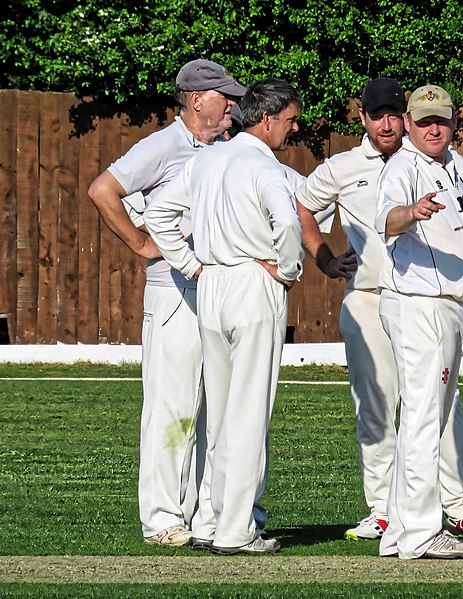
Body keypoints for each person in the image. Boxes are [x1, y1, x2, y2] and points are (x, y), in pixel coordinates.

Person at [296, 77, 463, 543]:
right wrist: (326, 258)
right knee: (380, 405)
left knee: (438, 407)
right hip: (375, 296)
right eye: (379, 115)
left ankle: (457, 506)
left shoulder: (444, 160)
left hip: (428, 298)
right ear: (364, 119)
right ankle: (388, 511)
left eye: (395, 114)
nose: (387, 123)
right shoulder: (346, 166)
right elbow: (304, 206)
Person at [87, 59, 245, 546]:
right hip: (173, 293)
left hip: (218, 291)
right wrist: (139, 243)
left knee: (218, 408)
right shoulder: (162, 146)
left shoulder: (229, 148)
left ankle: (207, 518)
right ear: (197, 100)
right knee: (171, 407)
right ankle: (161, 519)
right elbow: (103, 190)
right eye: (224, 96)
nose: (233, 105)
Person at [143, 78, 304, 555]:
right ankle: (236, 531)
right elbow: (290, 222)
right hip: (254, 284)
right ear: (269, 119)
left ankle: (211, 521)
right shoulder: (264, 166)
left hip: (210, 285)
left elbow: (159, 215)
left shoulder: (207, 159)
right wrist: (288, 271)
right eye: (291, 121)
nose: (292, 130)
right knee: (249, 412)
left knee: (221, 411)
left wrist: (193, 264)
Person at [372, 84, 463, 559]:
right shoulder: (404, 166)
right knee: (425, 419)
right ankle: (420, 533)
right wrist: (413, 212)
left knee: (427, 417)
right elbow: (385, 219)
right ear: (408, 123)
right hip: (419, 305)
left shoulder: (451, 164)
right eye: (424, 121)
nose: (433, 128)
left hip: (446, 305)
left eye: (441, 121)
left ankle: (400, 531)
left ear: (452, 123)